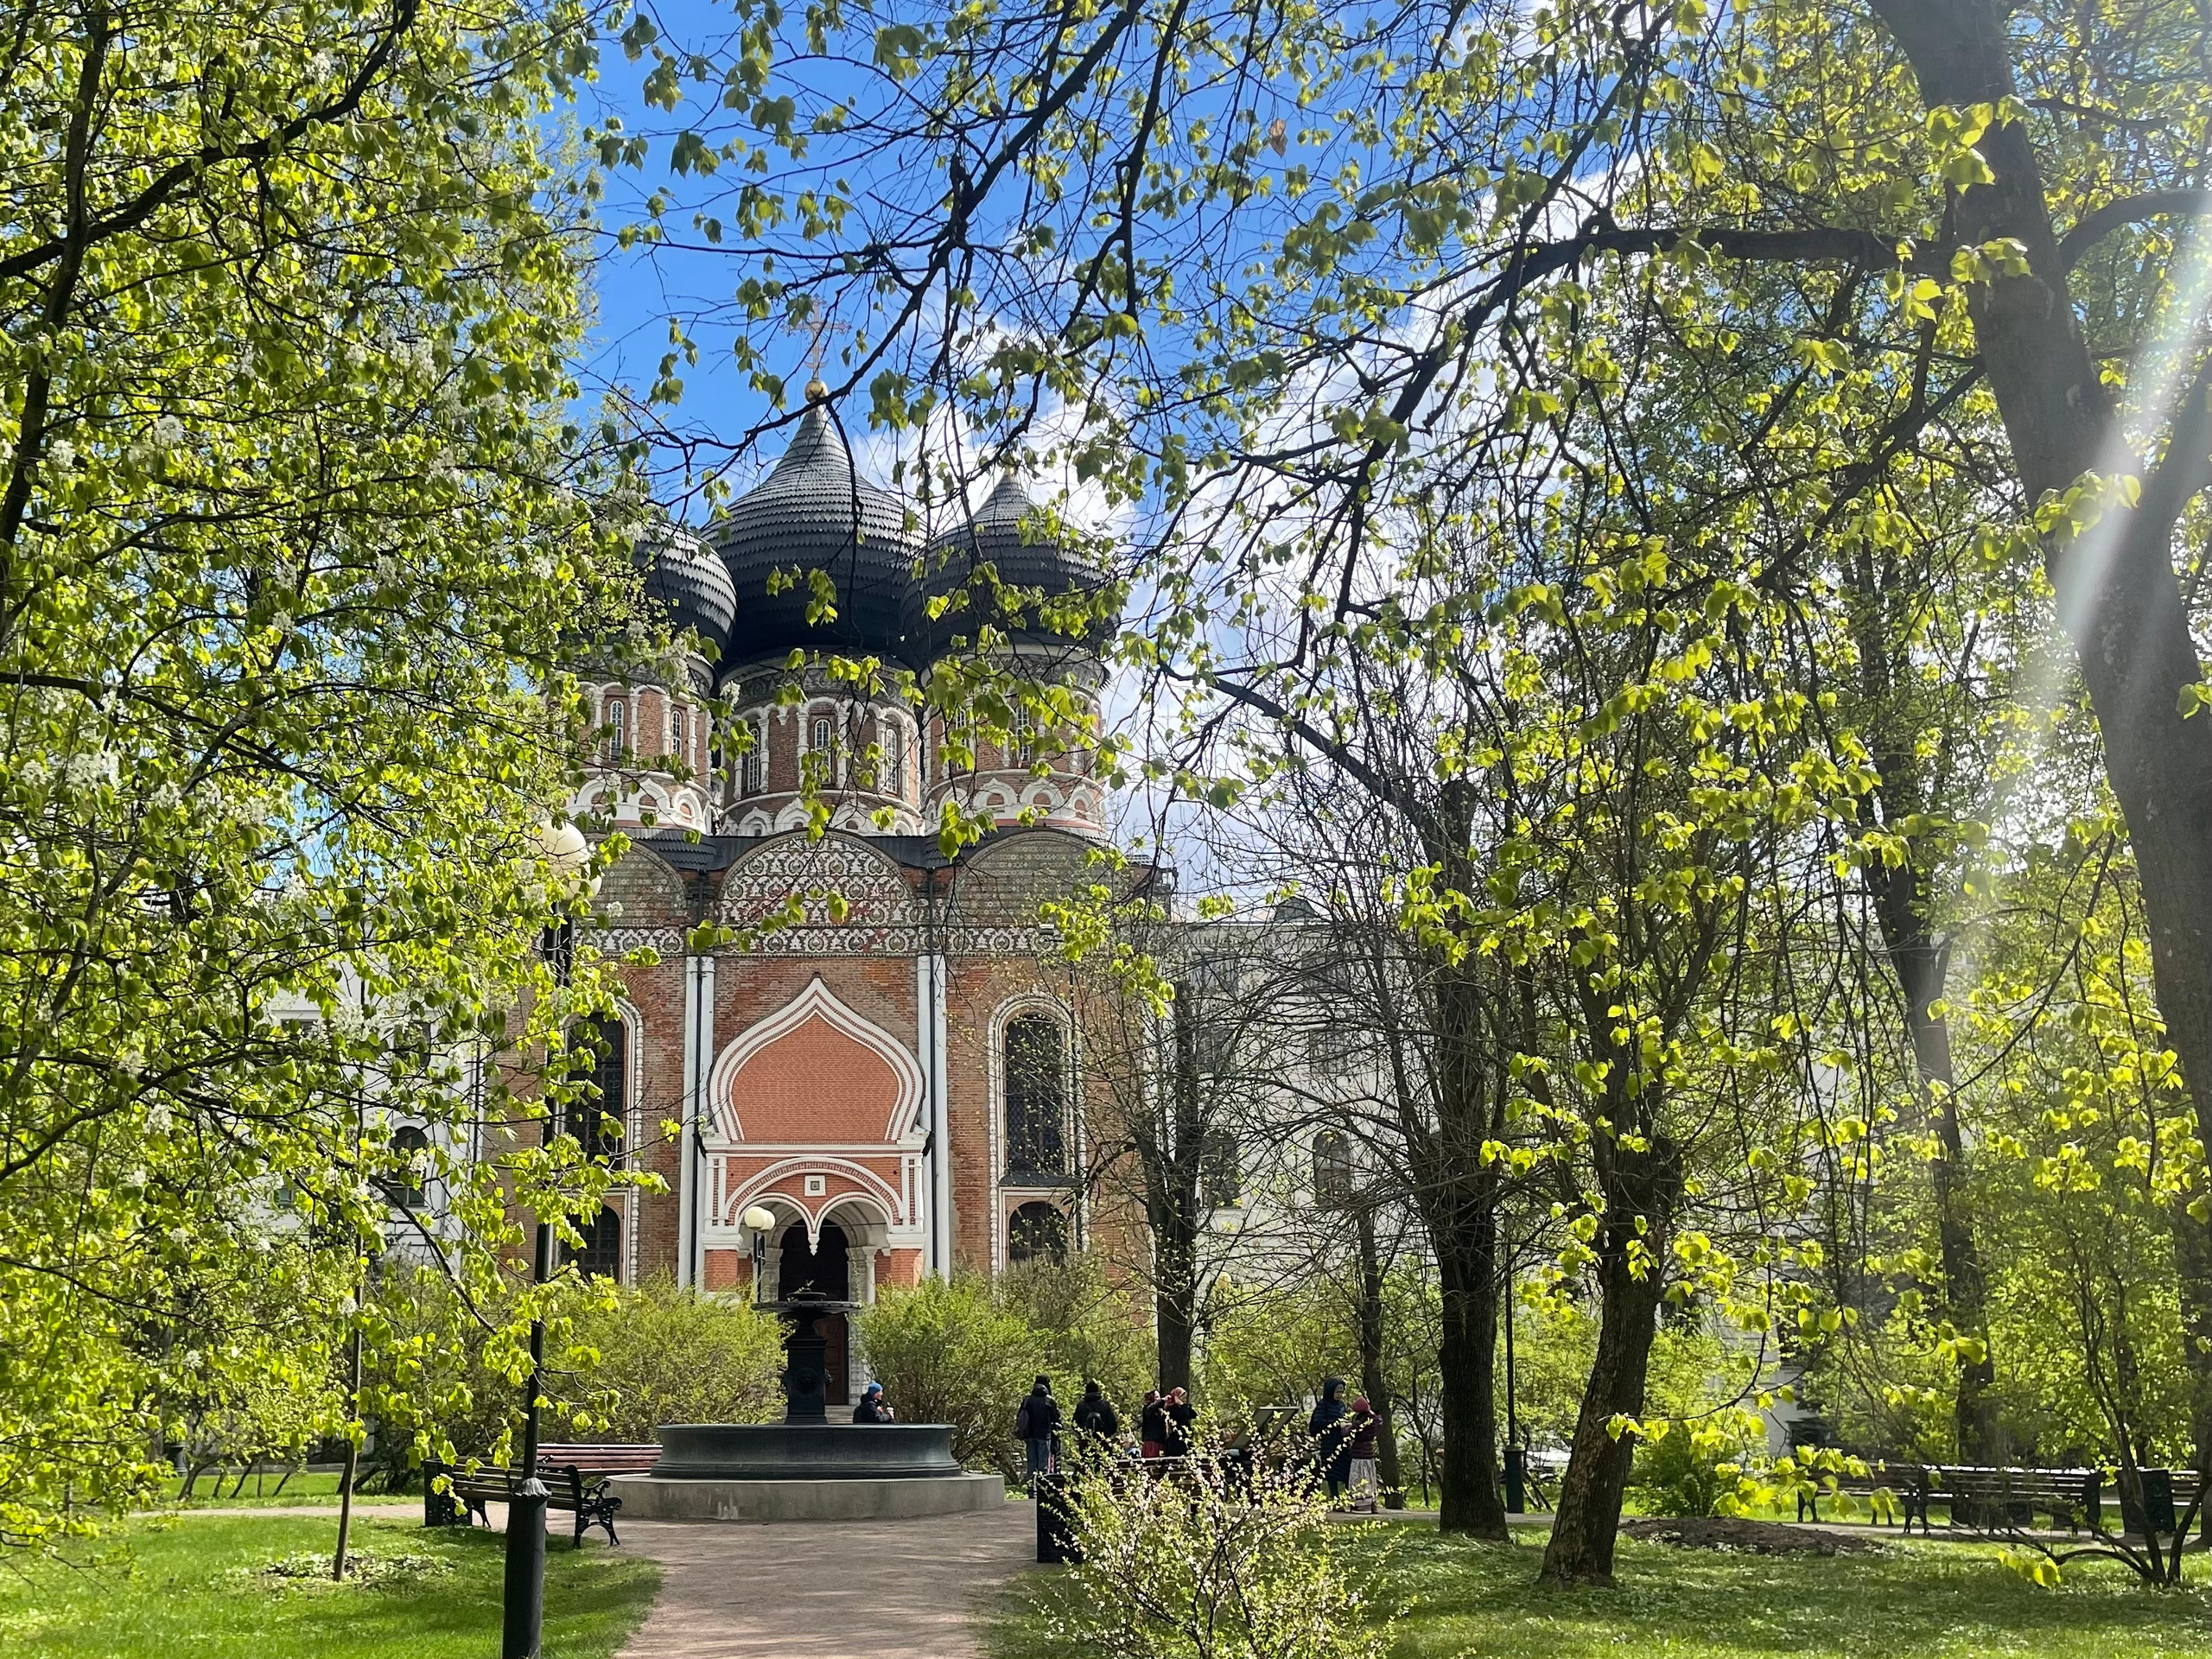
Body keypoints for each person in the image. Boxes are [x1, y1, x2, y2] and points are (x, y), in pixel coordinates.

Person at [1309, 1376, 1351, 1503]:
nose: (1340, 1395)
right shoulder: (1323, 1405)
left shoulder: (1341, 1405)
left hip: (1342, 1443)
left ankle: (1349, 1499)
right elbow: (1318, 1422)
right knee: (1332, 1472)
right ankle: (1335, 1499)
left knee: (1346, 1470)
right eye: (1337, 1392)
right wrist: (1337, 1423)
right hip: (1329, 1443)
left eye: (1342, 1392)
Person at [1014, 1374, 1061, 1485]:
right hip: (1045, 1436)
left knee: (1031, 1464)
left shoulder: (1027, 1400)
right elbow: (1057, 1418)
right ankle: (1042, 1490)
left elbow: (1019, 1416)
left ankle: (1031, 1489)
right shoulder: (1049, 1401)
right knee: (1043, 1465)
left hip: (1029, 1435)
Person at [1344, 1396, 1380, 1513]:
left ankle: (1360, 1503)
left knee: (1359, 1477)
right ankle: (1371, 1502)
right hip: (1369, 1454)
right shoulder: (1372, 1420)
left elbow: (1351, 1433)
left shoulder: (1360, 1422)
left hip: (1359, 1454)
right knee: (1369, 1477)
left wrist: (1345, 1429)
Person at [1072, 1380, 1120, 1445]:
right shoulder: (1105, 1405)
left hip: (1086, 1441)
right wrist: (1107, 1434)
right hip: (1103, 1441)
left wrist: (1082, 1434)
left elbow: (1074, 1424)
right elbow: (1113, 1424)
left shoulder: (1081, 1406)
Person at [1162, 1386, 1198, 1459]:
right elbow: (1184, 1415)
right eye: (1183, 1398)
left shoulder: (1183, 1408)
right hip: (1177, 1439)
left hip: (1185, 1436)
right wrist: (1181, 1405)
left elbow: (1194, 1414)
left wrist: (1185, 1405)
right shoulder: (1172, 1409)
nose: (1185, 1400)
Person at [1139, 1389, 1166, 1460]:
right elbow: (1150, 1409)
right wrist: (1161, 1400)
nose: (1159, 1399)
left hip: (1160, 1441)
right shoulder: (1147, 1409)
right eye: (1157, 1397)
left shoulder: (1160, 1410)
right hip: (1151, 1441)